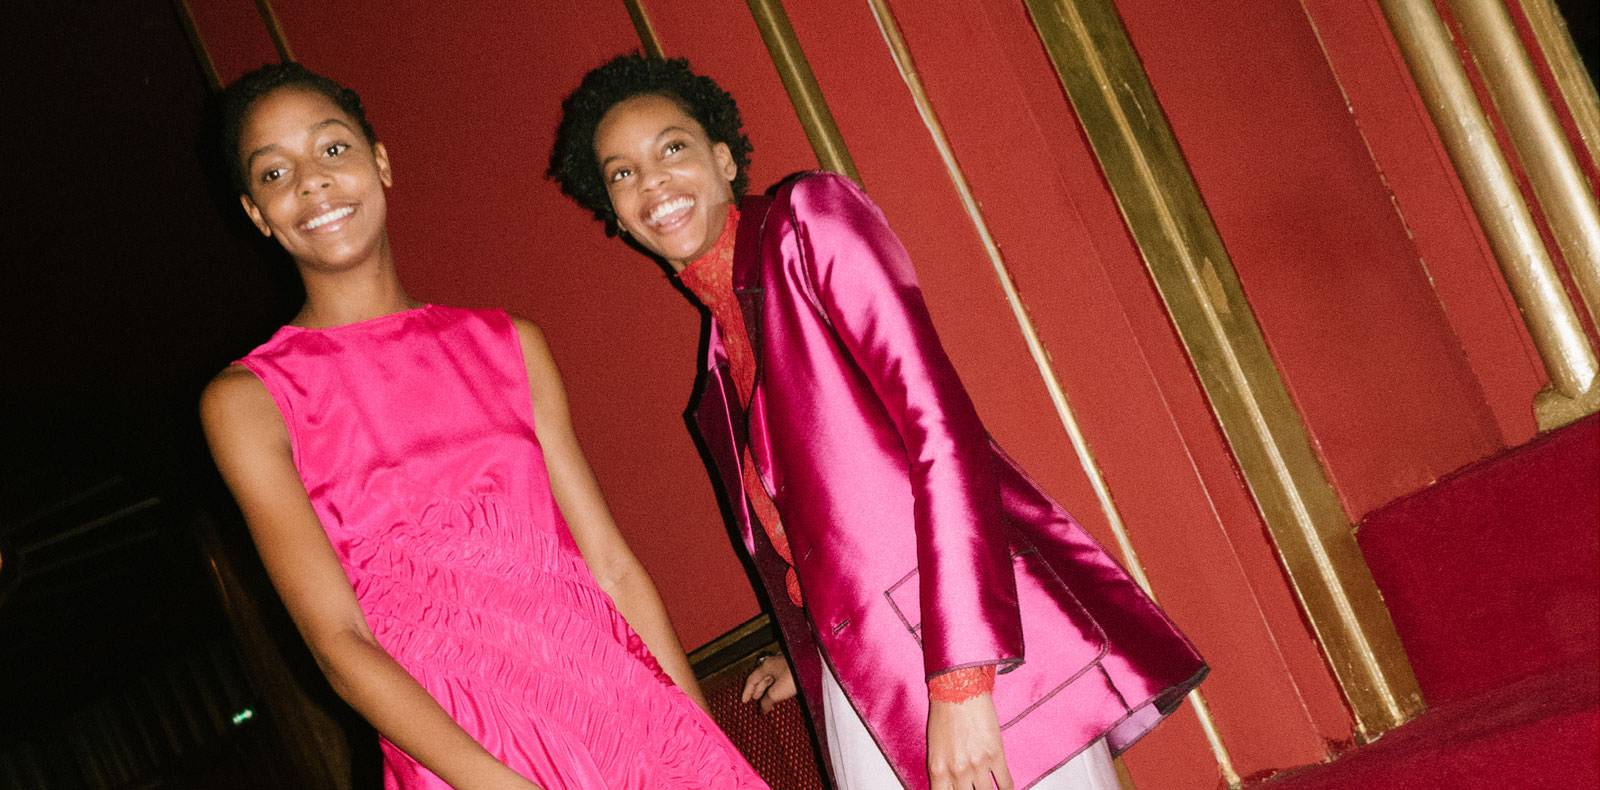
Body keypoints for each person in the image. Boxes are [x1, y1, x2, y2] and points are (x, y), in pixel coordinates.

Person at [549, 54, 1210, 790]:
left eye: (672, 148)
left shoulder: (809, 223)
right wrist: (815, 650)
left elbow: (943, 434)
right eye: (623, 173)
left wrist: (962, 676)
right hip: (865, 683)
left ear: (724, 158)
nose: (652, 183)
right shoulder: (713, 378)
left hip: (962, 657)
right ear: (615, 214)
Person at [200, 62, 767, 790]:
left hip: (629, 726)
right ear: (257, 213)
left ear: (381, 163)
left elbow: (613, 568)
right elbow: (339, 644)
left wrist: (705, 751)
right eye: (276, 173)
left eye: (333, 148)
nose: (312, 182)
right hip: (463, 761)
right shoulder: (247, 402)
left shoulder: (510, 343)